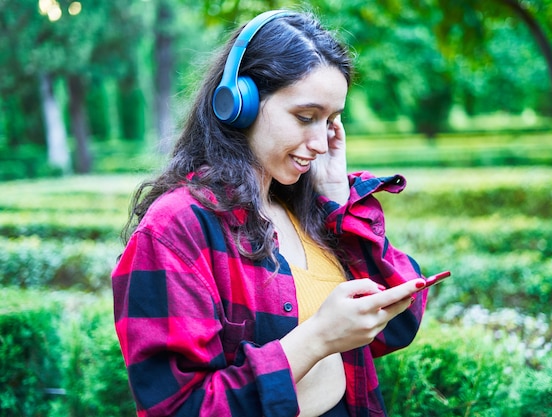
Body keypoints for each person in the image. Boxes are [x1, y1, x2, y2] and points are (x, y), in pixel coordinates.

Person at [112, 9, 434, 417]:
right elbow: (181, 408)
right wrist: (316, 339)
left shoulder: (306, 207)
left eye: (331, 121)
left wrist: (337, 198)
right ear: (238, 102)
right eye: (305, 117)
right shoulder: (176, 229)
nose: (320, 142)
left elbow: (399, 327)